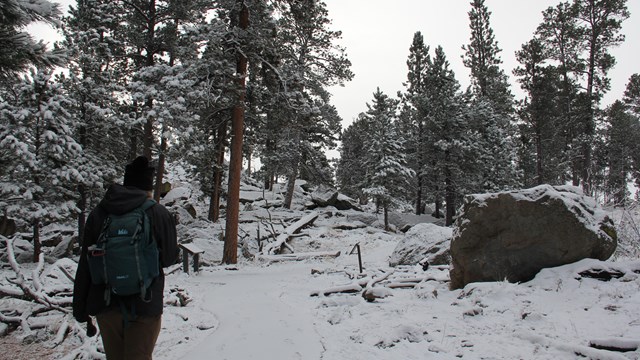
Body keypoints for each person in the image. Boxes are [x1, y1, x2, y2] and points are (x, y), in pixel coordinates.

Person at [73, 156, 178, 360]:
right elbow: (168, 258)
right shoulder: (157, 212)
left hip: (106, 303)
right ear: (148, 187)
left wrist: (80, 308)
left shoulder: (100, 213)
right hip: (145, 303)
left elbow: (85, 263)